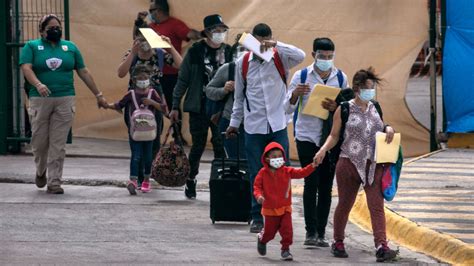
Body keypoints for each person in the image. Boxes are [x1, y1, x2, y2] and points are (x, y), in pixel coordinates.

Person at [226, 23, 305, 233]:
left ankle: (282, 211)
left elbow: (301, 55)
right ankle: (257, 216)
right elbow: (239, 97)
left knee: (281, 170)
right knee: (257, 171)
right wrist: (234, 124)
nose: (261, 46)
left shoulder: (281, 57)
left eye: (266, 41)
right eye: (258, 41)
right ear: (251, 40)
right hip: (254, 126)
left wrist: (276, 44)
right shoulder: (242, 63)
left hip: (277, 124)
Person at [313, 67, 398, 262]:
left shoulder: (375, 107)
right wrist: (322, 150)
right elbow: (334, 135)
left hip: (372, 163)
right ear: (358, 88)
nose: (372, 91)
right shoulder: (344, 108)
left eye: (373, 88)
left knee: (376, 206)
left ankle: (381, 245)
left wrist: (389, 127)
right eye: (369, 87)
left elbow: (380, 126)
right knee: (345, 203)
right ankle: (338, 241)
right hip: (348, 162)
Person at [20, 14, 107, 194]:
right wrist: (38, 84)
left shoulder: (70, 48)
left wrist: (98, 94)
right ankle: (41, 170)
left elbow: (83, 71)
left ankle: (54, 182)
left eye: (57, 27)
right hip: (39, 100)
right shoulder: (32, 47)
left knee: (58, 143)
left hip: (65, 99)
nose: (55, 30)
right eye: (51, 28)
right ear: (42, 31)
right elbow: (26, 68)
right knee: (39, 142)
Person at [284, 37, 349, 247]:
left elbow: (347, 108)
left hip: (330, 138)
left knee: (326, 185)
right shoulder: (301, 76)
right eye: (322, 57)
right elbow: (287, 108)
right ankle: (310, 232)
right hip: (306, 136)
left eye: (330, 57)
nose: (326, 60)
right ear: (313, 55)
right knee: (310, 183)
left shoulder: (340, 78)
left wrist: (336, 107)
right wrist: (295, 94)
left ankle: (322, 232)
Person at [169, 14, 233, 199]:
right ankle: (191, 179)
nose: (220, 33)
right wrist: (175, 105)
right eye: (216, 30)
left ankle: (220, 182)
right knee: (198, 145)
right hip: (199, 105)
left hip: (221, 106)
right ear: (207, 32)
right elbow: (183, 79)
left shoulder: (229, 52)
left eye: (222, 30)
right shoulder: (196, 51)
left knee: (221, 145)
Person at [117, 28, 182, 189]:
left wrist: (170, 47)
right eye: (141, 39)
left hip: (155, 102)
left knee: (153, 137)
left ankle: (149, 174)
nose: (145, 43)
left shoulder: (159, 54)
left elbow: (181, 66)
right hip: (134, 102)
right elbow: (120, 73)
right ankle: (137, 177)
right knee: (136, 137)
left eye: (148, 39)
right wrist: (132, 53)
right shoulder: (132, 55)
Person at [134, 0, 201, 144]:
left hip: (171, 73)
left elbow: (189, 34)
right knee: (148, 103)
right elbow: (138, 37)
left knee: (172, 105)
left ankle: (177, 135)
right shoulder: (151, 27)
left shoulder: (175, 24)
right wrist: (138, 21)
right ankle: (147, 133)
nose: (150, 13)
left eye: (151, 10)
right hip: (152, 75)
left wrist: (201, 34)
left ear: (159, 10)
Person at [106, 65, 168, 195]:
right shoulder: (131, 94)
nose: (143, 81)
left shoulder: (153, 93)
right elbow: (119, 104)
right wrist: (107, 105)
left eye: (145, 78)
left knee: (147, 156)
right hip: (135, 132)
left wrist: (152, 103)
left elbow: (163, 108)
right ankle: (133, 180)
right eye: (140, 78)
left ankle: (146, 180)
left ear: (149, 79)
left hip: (150, 132)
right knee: (136, 155)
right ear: (134, 80)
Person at [254, 142, 317, 261]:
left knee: (287, 230)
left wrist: (312, 166)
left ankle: (285, 249)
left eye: (280, 156)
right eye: (274, 157)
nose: (277, 159)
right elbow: (257, 187)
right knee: (269, 233)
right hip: (269, 210)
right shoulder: (262, 173)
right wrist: (259, 196)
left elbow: (302, 172)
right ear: (267, 159)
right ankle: (262, 239)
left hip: (285, 208)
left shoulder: (288, 171)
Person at [204, 35, 247, 159]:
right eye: (241, 49)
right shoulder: (229, 68)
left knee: (253, 160)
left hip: (255, 122)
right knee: (237, 159)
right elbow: (209, 90)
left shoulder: (262, 69)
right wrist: (224, 89)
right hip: (230, 120)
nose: (244, 53)